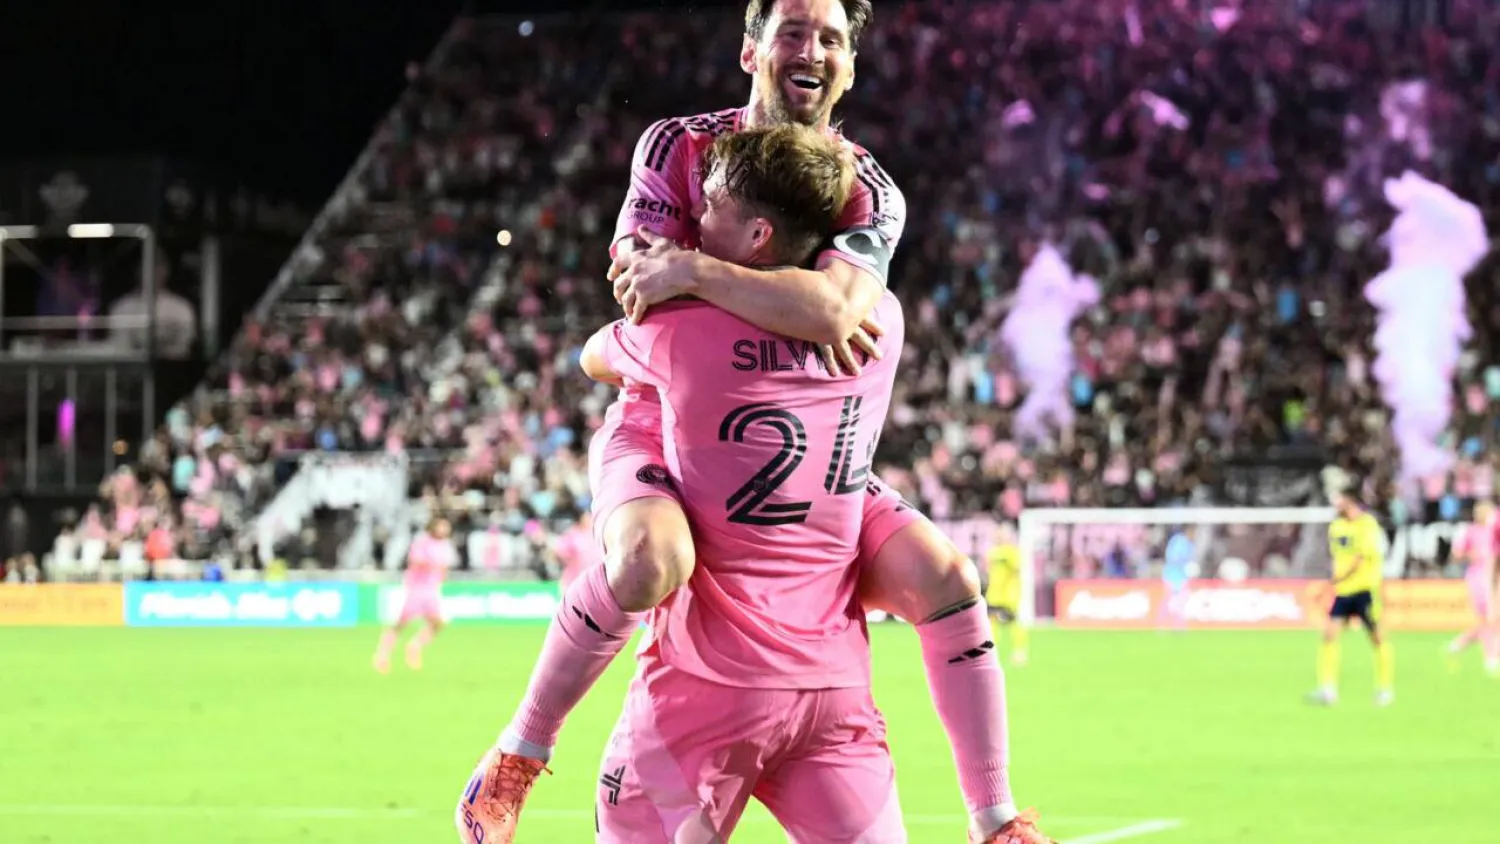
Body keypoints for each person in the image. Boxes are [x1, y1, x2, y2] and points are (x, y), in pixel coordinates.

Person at [493, 2, 1038, 840]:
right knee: (650, 560)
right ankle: (522, 748)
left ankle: (997, 819)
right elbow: (642, 293)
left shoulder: (869, 187)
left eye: (831, 38)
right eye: (792, 31)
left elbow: (832, 312)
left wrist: (695, 271)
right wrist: (783, 299)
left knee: (946, 577)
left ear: (851, 65)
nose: (810, 49)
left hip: (797, 430)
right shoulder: (676, 146)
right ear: (750, 49)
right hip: (663, 417)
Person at [1310, 490, 1395, 706]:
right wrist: (1336, 582)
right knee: (1329, 634)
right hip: (1343, 591)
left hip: (1365, 590)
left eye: (1339, 499)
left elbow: (1359, 558)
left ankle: (1385, 688)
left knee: (1377, 638)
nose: (1335, 503)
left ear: (1350, 500)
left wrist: (1335, 580)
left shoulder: (1367, 524)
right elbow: (1337, 557)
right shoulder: (1336, 526)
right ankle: (1328, 689)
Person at [373, 517, 454, 673]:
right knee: (400, 624)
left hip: (431, 590)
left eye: (446, 527)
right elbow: (415, 561)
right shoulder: (422, 542)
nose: (445, 530)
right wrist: (432, 565)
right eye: (442, 526)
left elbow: (444, 567)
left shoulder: (444, 545)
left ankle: (415, 645)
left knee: (439, 623)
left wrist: (441, 576)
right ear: (433, 527)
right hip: (416, 589)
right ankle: (382, 656)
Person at [1448, 500, 1499, 674]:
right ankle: (1490, 657)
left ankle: (1460, 643)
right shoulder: (1471, 531)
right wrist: (1470, 554)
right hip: (1478, 578)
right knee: (1487, 619)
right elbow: (1456, 554)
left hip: (1495, 578)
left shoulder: (1494, 532)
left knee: (1494, 620)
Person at [985, 523, 1029, 665]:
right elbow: (989, 571)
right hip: (994, 594)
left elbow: (1017, 570)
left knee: (1013, 622)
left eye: (1002, 533)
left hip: (1009, 595)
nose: (998, 536)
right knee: (992, 622)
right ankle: (992, 651)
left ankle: (1019, 651)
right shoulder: (992, 552)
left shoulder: (1012, 552)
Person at [1161, 527, 1193, 632]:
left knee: (1179, 601)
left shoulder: (1187, 543)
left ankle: (1177, 625)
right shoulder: (1179, 541)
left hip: (1180, 576)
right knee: (1170, 600)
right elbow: (1172, 557)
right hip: (1173, 576)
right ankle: (1164, 624)